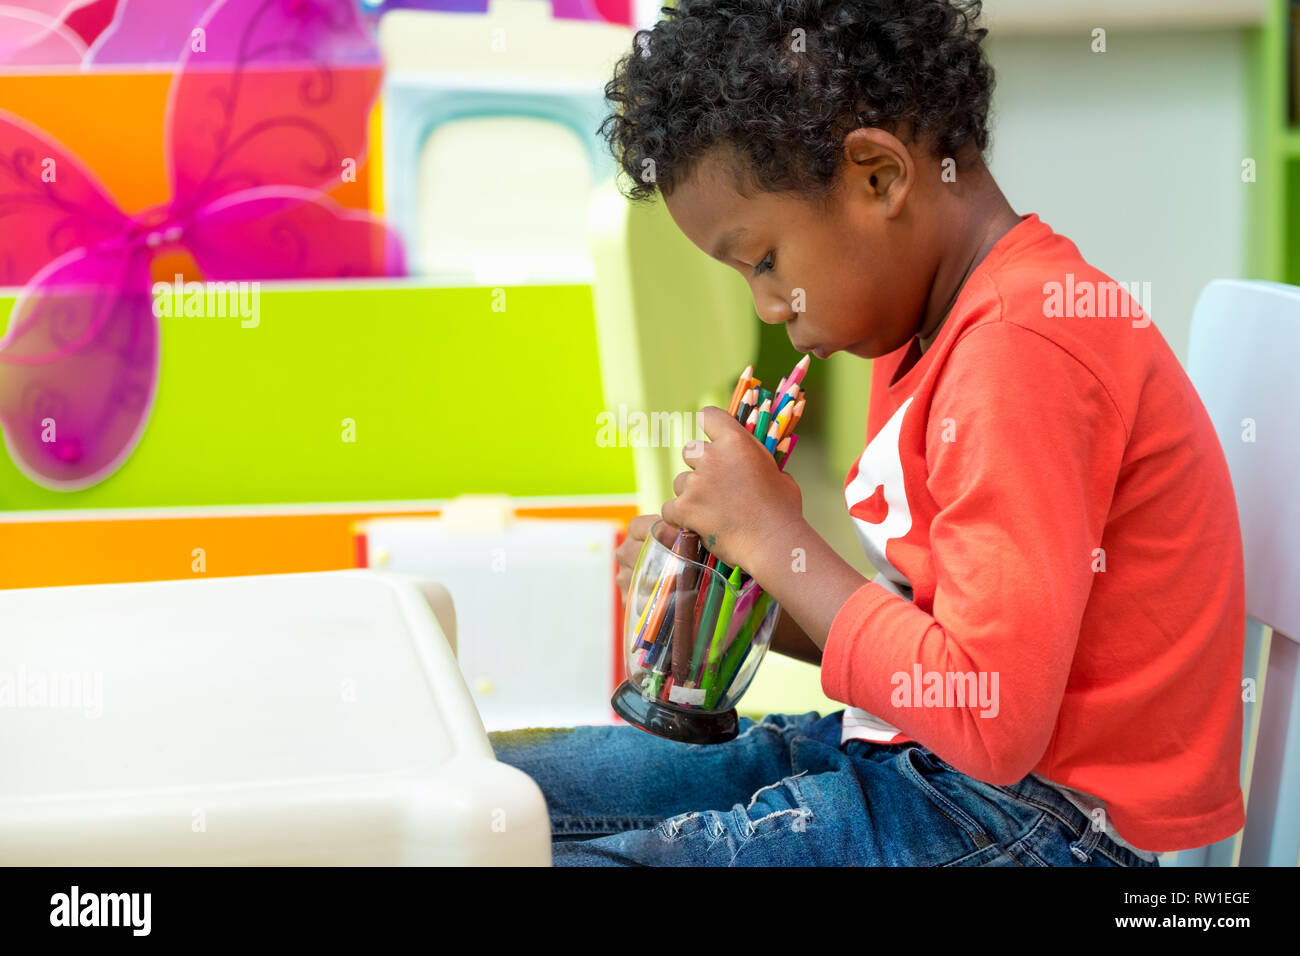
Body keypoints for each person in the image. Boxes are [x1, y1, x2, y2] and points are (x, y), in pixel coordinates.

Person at [489, 0, 1245, 866]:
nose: (770, 310)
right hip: (928, 763)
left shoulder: (1019, 349)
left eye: (765, 261)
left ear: (878, 178)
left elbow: (988, 715)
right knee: (491, 793)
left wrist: (777, 539)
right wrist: (747, 605)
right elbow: (931, 646)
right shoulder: (927, 327)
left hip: (1044, 823)